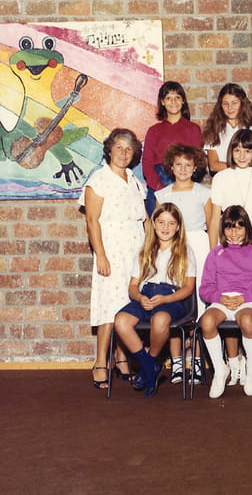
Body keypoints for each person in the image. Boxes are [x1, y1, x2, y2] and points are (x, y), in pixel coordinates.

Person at [80, 128, 147, 390]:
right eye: (119, 147)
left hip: (135, 251)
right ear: (109, 150)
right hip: (111, 250)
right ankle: (100, 363)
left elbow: (143, 219)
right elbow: (91, 220)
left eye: (129, 149)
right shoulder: (99, 179)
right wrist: (101, 255)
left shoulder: (135, 181)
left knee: (127, 306)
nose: (123, 153)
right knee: (109, 307)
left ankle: (121, 358)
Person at [114, 203, 196, 397]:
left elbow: (188, 288)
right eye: (161, 222)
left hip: (171, 297)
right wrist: (140, 297)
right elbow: (133, 286)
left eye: (171, 223)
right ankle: (150, 366)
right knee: (121, 321)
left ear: (178, 227)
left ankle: (150, 362)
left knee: (159, 320)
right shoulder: (144, 251)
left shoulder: (185, 252)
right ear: (153, 224)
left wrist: (166, 299)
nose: (165, 227)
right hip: (146, 295)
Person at [199, 206, 252, 398]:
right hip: (222, 300)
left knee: (247, 320)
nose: (234, 233)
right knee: (206, 321)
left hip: (249, 300)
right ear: (222, 230)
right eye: (229, 228)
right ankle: (220, 370)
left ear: (247, 228)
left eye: (239, 228)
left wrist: (244, 297)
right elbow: (205, 287)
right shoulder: (215, 253)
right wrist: (219, 298)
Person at [156, 143, 211, 383]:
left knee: (198, 304)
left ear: (195, 167)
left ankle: (197, 361)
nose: (183, 169)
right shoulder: (163, 195)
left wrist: (212, 253)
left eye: (188, 165)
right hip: (172, 247)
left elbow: (212, 225)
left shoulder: (204, 192)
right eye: (178, 164)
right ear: (171, 167)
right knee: (175, 300)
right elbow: (159, 227)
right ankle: (177, 362)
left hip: (198, 245)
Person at [208, 129, 252, 254]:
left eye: (247, 151)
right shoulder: (221, 178)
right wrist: (213, 253)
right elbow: (215, 219)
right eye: (237, 150)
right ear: (231, 151)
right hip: (230, 240)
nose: (242, 156)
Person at [142, 81, 203, 215]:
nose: (173, 101)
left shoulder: (193, 129)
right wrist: (159, 187)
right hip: (159, 182)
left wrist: (183, 186)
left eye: (177, 97)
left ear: (183, 101)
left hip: (184, 182)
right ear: (162, 102)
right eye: (168, 98)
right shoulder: (154, 131)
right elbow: (147, 163)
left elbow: (197, 161)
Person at [202, 83, 252, 175]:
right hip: (225, 178)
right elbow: (214, 165)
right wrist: (243, 168)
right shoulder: (214, 130)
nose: (230, 107)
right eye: (225, 103)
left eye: (234, 103)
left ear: (242, 104)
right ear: (220, 105)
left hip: (251, 178)